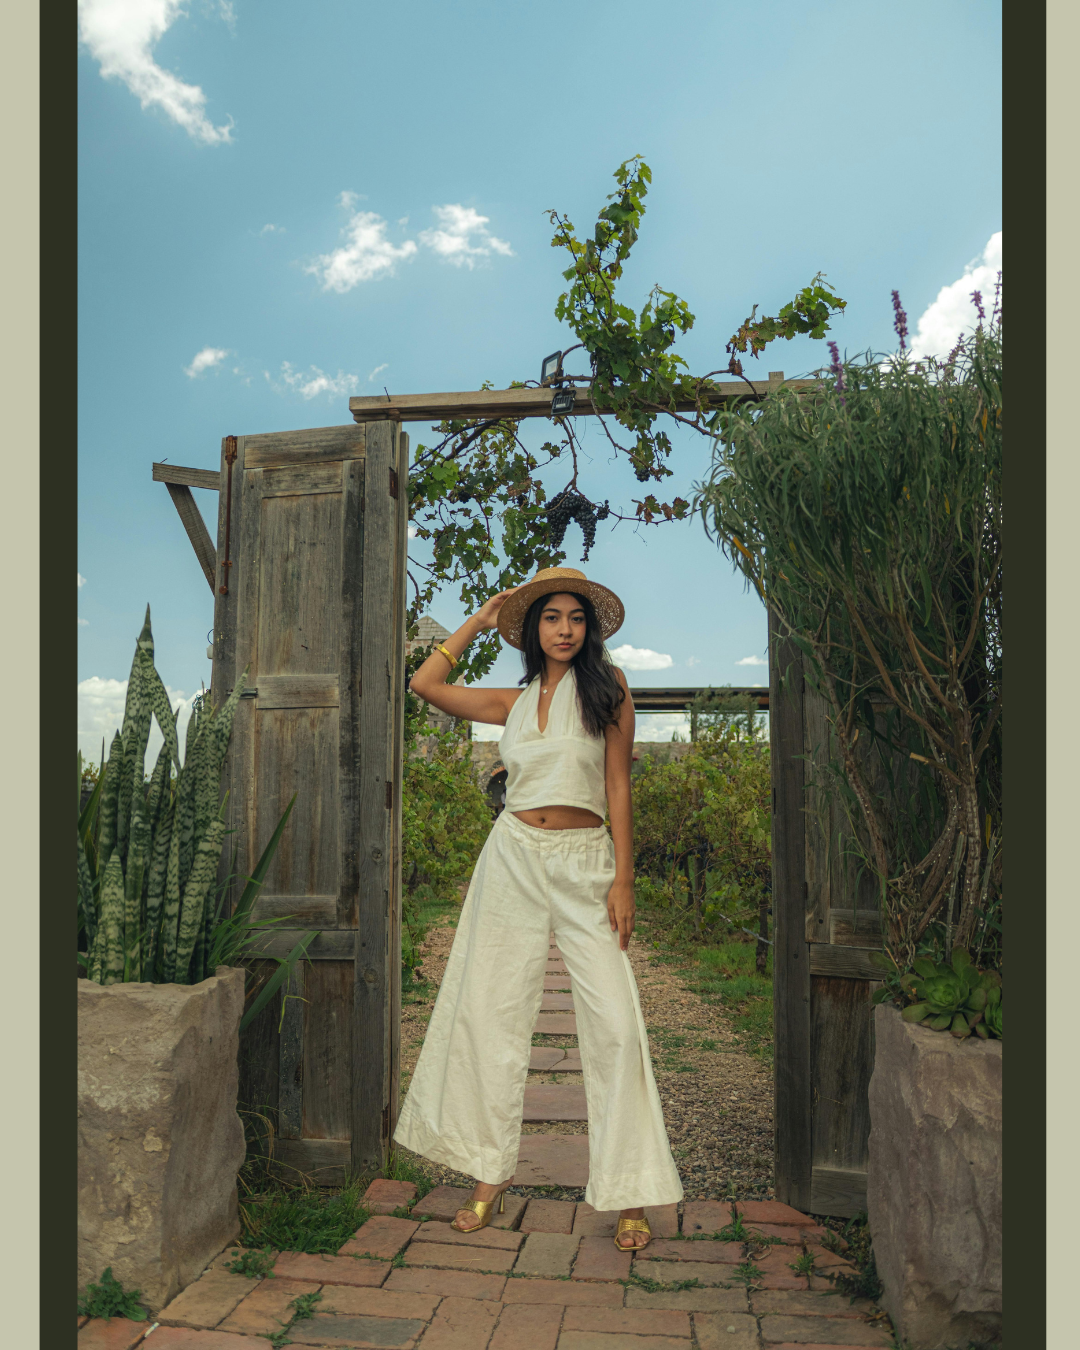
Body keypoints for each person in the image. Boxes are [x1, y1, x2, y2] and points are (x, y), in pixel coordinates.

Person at [393, 566, 683, 1250]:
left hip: (586, 862)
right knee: (488, 1011)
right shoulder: (513, 702)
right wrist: (479, 619)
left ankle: (630, 1190)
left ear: (589, 629)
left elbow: (618, 787)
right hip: (513, 857)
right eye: (550, 618)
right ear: (531, 629)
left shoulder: (610, 692)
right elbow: (424, 685)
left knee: (616, 1025)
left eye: (575, 618)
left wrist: (624, 879)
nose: (564, 629)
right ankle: (488, 1176)